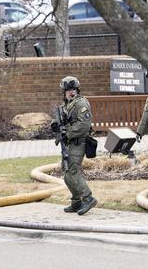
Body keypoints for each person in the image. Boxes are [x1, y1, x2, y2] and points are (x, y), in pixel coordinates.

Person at [51, 76, 98, 215]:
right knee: (66, 174)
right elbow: (63, 119)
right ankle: (76, 201)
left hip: (79, 142)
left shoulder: (80, 104)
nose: (71, 92)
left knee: (72, 172)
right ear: (64, 92)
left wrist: (68, 133)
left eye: (73, 89)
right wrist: (55, 124)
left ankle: (88, 198)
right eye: (68, 90)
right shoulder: (67, 104)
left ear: (77, 90)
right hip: (69, 144)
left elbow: (84, 125)